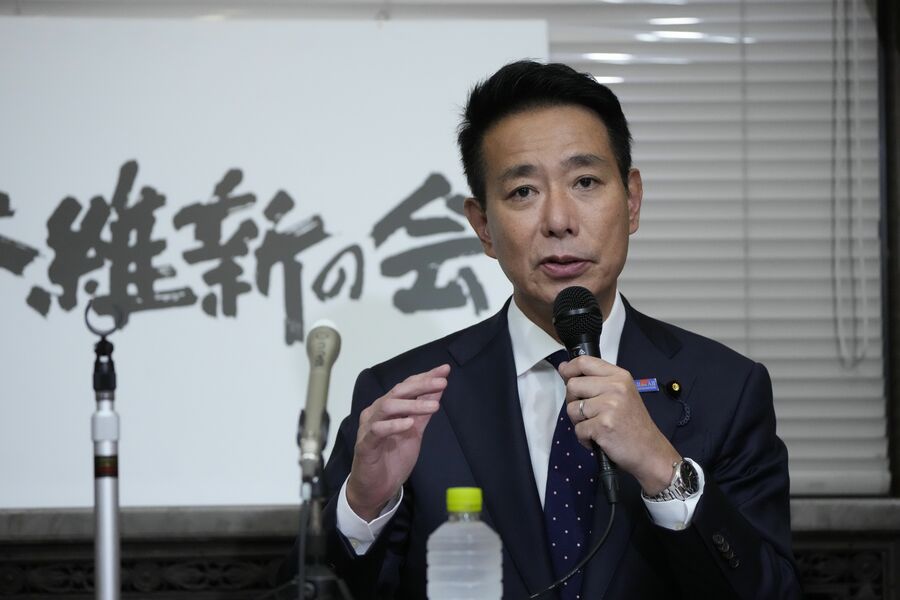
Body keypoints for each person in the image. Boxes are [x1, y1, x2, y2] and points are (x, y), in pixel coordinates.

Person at [290, 60, 801, 599]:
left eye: (585, 182)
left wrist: (662, 469)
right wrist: (362, 506)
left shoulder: (725, 389)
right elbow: (309, 588)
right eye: (523, 192)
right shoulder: (406, 400)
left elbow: (773, 592)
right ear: (483, 225)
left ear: (631, 200)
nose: (559, 220)